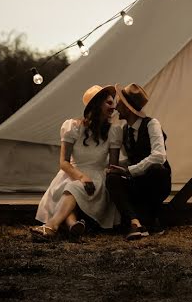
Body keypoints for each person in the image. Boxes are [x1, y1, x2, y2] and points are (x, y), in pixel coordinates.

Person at [31, 85, 122, 240]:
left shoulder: (114, 131)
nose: (113, 106)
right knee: (69, 186)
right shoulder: (73, 127)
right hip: (72, 173)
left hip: (97, 176)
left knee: (73, 188)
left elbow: (112, 165)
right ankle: (73, 225)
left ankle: (52, 226)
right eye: (108, 102)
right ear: (96, 104)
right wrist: (81, 176)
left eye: (113, 102)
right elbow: (64, 162)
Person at [106, 83, 171, 240]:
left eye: (119, 103)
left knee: (156, 168)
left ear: (128, 109)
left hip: (156, 182)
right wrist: (120, 169)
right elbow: (130, 158)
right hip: (137, 182)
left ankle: (151, 218)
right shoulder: (125, 130)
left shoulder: (151, 124)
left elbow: (159, 156)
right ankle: (134, 222)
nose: (115, 107)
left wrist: (130, 170)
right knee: (112, 178)